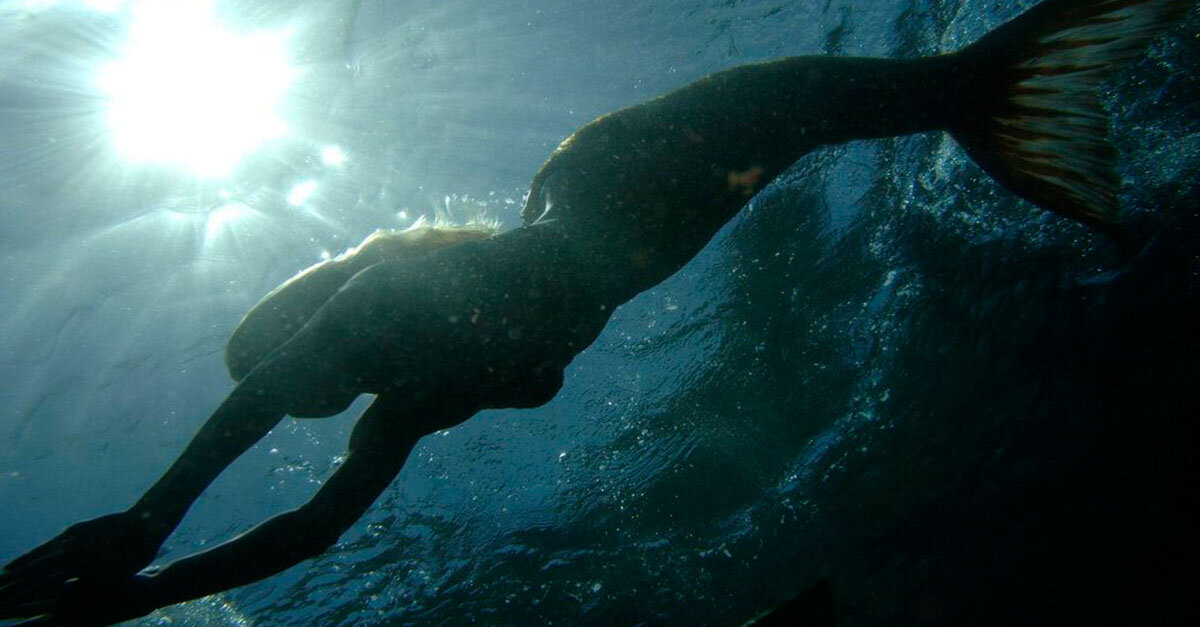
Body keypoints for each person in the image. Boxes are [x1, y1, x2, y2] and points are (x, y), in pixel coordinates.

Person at [1, 0, 1190, 624]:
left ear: (304, 313)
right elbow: (314, 532)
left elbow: (264, 393)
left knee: (829, 107)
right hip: (653, 210)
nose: (291, 374)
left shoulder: (385, 296)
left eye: (280, 346)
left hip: (617, 181)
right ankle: (988, 85)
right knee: (849, 108)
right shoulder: (408, 399)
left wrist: (148, 526)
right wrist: (147, 594)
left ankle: (987, 82)